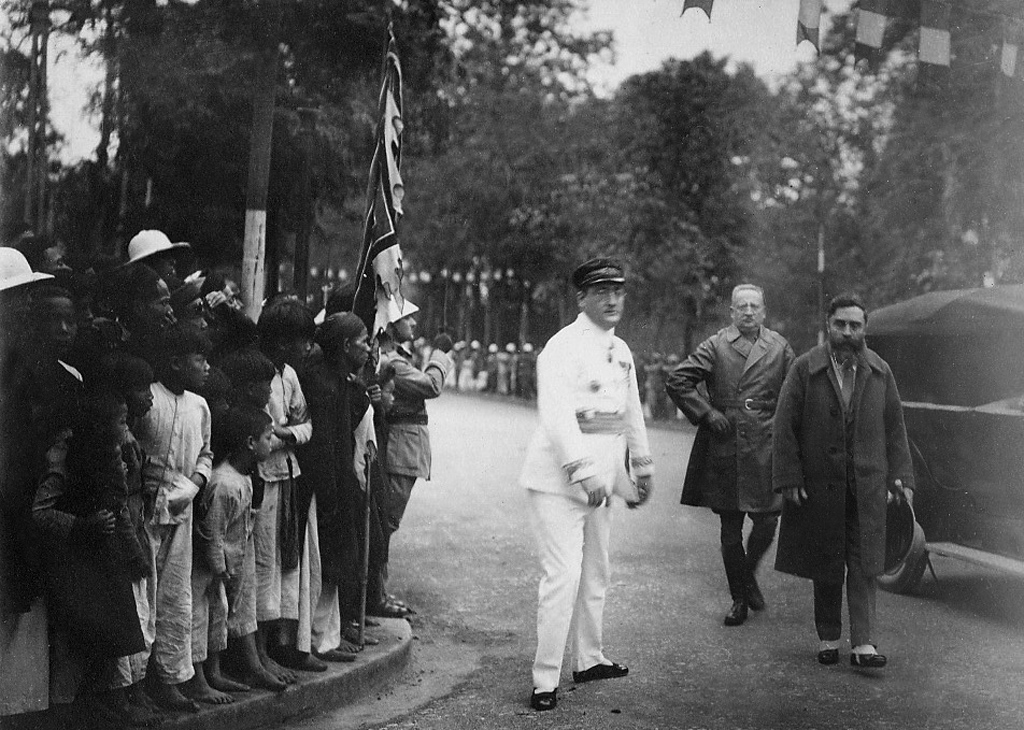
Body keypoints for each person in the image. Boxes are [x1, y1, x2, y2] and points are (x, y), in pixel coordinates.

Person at [518, 257, 654, 712]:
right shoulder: (561, 347)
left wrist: (641, 466)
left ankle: (590, 658)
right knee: (564, 576)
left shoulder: (622, 350)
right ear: (582, 298)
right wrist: (583, 470)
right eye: (601, 292)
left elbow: (630, 412)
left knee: (597, 571)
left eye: (618, 290)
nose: (612, 299)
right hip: (558, 482)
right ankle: (544, 679)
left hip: (604, 480)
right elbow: (556, 417)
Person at [773, 292, 914, 669]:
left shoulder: (880, 371)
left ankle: (864, 644)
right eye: (840, 324)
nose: (848, 332)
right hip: (821, 485)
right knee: (827, 562)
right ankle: (829, 637)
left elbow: (896, 428)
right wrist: (789, 475)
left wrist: (902, 477)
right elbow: (784, 425)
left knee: (866, 564)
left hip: (868, 486)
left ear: (865, 328)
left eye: (855, 325)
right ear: (828, 325)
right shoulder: (805, 369)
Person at [665, 284, 794, 627]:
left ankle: (746, 575)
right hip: (728, 443)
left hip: (766, 443)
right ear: (732, 312)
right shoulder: (716, 345)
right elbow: (678, 381)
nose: (748, 312)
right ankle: (739, 598)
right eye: (742, 306)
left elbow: (795, 391)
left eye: (754, 306)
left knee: (768, 519)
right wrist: (707, 413)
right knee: (730, 526)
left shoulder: (779, 347)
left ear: (764, 311)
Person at [135, 323, 213, 710]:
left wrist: (195, 483)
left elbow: (206, 454)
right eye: (200, 359)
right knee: (142, 595)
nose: (207, 367)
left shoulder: (200, 405)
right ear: (177, 362)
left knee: (175, 596)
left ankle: (168, 679)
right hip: (145, 508)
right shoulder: (149, 397)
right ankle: (134, 683)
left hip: (183, 507)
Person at [185, 405, 279, 703]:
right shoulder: (224, 483)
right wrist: (218, 567)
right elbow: (212, 531)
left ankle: (214, 673)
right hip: (210, 566)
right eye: (268, 437)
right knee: (200, 616)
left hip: (228, 564)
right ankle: (198, 680)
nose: (272, 443)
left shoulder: (244, 478)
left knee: (219, 616)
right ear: (250, 442)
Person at [377, 300, 454, 618]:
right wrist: (439, 354)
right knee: (387, 523)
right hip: (401, 446)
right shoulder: (392, 360)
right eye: (407, 317)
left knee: (387, 523)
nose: (413, 323)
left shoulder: (397, 356)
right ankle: (375, 595)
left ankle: (377, 592)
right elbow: (431, 385)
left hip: (405, 444)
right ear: (392, 323)